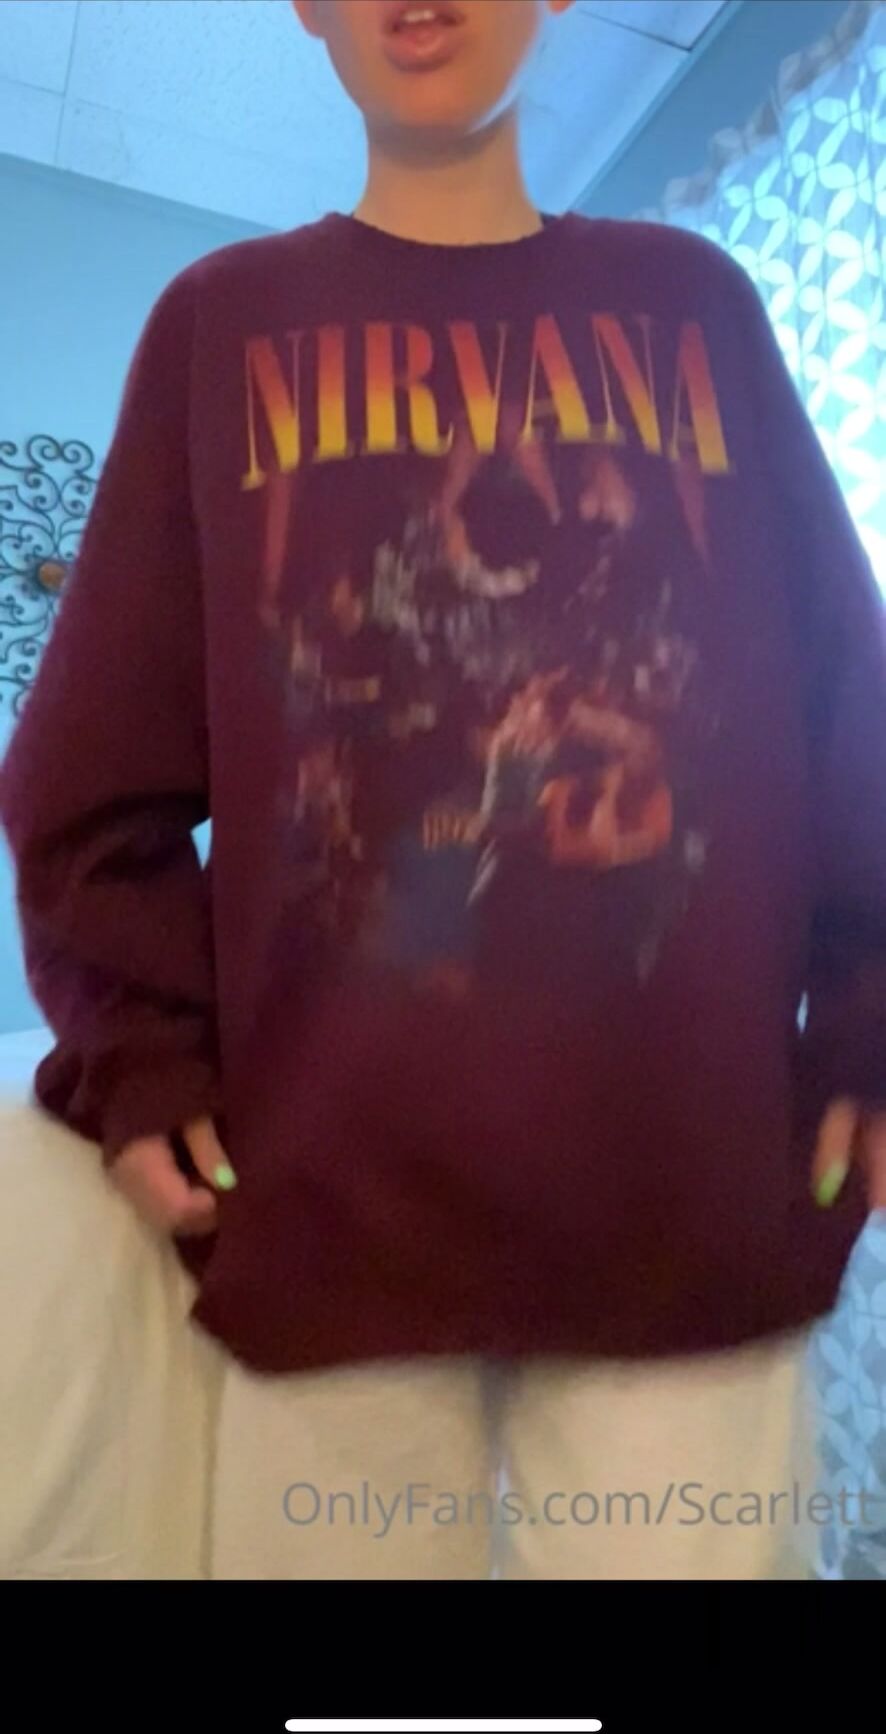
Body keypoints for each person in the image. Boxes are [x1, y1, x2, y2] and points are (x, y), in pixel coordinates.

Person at [2, 0, 886, 1581]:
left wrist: (870, 1008)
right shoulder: (220, 328)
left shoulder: (695, 307)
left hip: (682, 1219)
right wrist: (142, 1056)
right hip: (331, 1233)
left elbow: (845, 704)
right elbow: (84, 784)